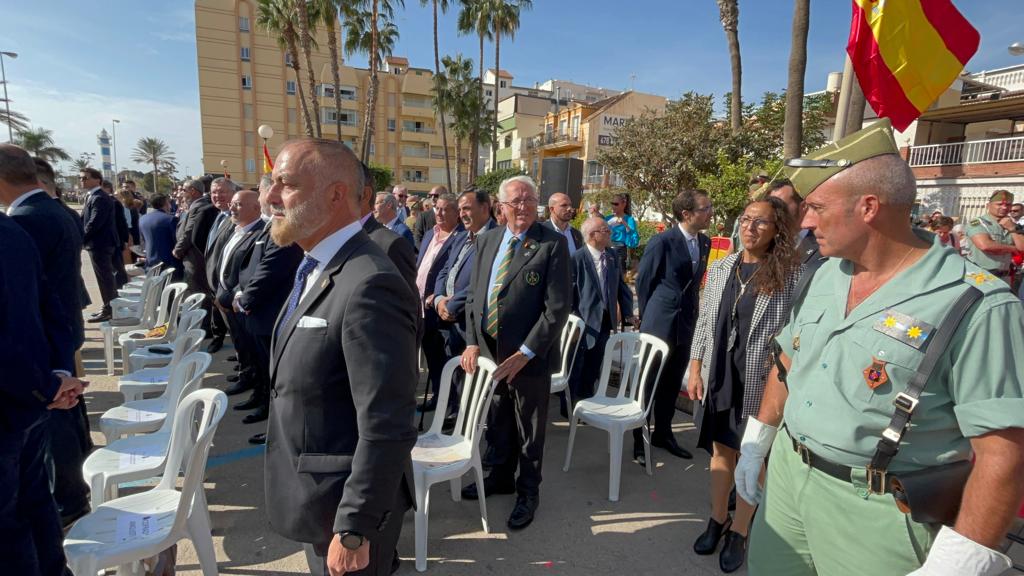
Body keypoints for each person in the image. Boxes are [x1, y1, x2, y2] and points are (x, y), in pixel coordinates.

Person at [736, 119, 1024, 575]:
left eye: (816, 208)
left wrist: (963, 558)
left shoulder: (976, 304)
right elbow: (787, 362)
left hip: (879, 509)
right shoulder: (827, 272)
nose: (806, 222)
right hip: (789, 479)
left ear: (868, 207)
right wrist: (758, 441)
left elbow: (1003, 451)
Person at [264, 139, 417, 576]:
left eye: (285, 184)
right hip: (318, 500)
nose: (272, 197)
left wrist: (354, 526)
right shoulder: (316, 266)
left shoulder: (370, 283)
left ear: (334, 194)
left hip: (343, 509)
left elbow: (388, 422)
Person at [686, 197, 800, 573]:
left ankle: (740, 530)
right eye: (746, 219)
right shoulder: (722, 269)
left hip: (759, 379)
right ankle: (717, 519)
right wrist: (696, 366)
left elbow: (795, 335)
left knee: (753, 456)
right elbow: (704, 322)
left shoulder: (789, 274)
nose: (750, 227)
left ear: (777, 230)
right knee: (721, 452)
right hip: (720, 374)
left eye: (761, 222)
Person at [459, 175, 571, 531]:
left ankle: (528, 492)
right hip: (491, 353)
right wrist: (473, 340)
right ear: (501, 208)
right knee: (498, 419)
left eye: (528, 200)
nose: (522, 207)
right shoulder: (489, 239)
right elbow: (476, 295)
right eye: (515, 202)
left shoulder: (551, 244)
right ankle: (501, 477)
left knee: (530, 429)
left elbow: (557, 309)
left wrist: (525, 353)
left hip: (528, 358)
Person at [1, 145, 92, 526]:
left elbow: (22, 303)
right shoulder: (55, 210)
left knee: (56, 424)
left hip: (41, 347)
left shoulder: (24, 220)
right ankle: (78, 478)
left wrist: (44, 379)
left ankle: (71, 495)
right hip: (60, 332)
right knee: (69, 414)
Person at [1, 209, 88, 575]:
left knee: (10, 527)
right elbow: (51, 308)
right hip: (30, 403)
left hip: (14, 404)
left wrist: (49, 384)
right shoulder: (11, 229)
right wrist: (56, 376)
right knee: (36, 503)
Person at [633, 189, 712, 465]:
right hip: (659, 321)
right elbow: (645, 282)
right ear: (686, 213)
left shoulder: (705, 243)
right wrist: (647, 314)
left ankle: (663, 433)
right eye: (705, 208)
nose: (710, 212)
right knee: (648, 380)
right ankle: (637, 439)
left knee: (670, 381)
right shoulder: (662, 241)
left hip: (685, 322)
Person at [232, 176, 302, 446]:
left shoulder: (286, 229)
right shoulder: (269, 225)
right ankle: (273, 424)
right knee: (267, 375)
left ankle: (278, 432)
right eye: (268, 189)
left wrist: (246, 299)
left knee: (278, 381)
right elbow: (251, 266)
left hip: (270, 316)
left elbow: (271, 269)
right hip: (257, 313)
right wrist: (240, 294)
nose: (271, 196)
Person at [566, 216, 634, 417]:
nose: (610, 233)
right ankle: (570, 408)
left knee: (594, 365)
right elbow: (569, 293)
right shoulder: (577, 259)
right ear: (592, 235)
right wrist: (573, 322)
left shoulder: (612, 256)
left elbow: (621, 288)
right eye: (605, 230)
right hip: (583, 321)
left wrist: (628, 313)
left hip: (605, 319)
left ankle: (587, 404)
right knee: (576, 365)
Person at [212, 189, 266, 421]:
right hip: (228, 301)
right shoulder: (236, 230)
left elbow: (252, 274)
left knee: (257, 354)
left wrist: (232, 296)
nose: (232, 208)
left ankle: (259, 391)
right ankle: (250, 382)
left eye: (239, 204)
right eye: (232, 203)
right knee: (243, 347)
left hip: (242, 304)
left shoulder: (260, 234)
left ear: (257, 208)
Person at [434, 189, 497, 362]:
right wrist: (439, 299)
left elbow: (485, 282)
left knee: (466, 383)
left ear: (484, 208)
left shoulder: (497, 239)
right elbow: (445, 270)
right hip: (446, 319)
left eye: (467, 209)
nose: (462, 214)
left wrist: (451, 305)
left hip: (469, 326)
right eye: (460, 210)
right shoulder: (461, 237)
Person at [417, 193, 464, 412]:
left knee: (447, 359)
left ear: (457, 213)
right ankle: (438, 398)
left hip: (441, 308)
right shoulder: (429, 234)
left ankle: (452, 406)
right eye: (437, 208)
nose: (440, 213)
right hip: (421, 308)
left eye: (446, 209)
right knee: (433, 359)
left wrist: (437, 298)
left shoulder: (461, 238)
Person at [202, 177, 237, 354]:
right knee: (219, 316)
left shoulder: (236, 218)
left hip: (226, 282)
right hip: (213, 279)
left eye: (222, 192)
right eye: (214, 192)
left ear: (233, 193)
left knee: (234, 325)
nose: (217, 196)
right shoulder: (218, 216)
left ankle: (244, 363)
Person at [80, 167, 120, 322]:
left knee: (105, 278)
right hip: (97, 244)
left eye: (85, 178)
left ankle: (110, 308)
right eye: (81, 178)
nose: (82, 181)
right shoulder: (92, 196)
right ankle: (108, 306)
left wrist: (81, 237)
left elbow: (94, 222)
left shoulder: (100, 197)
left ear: (97, 180)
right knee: (103, 278)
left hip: (101, 244)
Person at [964, 190, 1024, 284]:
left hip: (1005, 277)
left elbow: (1022, 248)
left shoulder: (1013, 225)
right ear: (988, 205)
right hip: (981, 276)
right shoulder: (977, 223)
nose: (1004, 207)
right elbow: (985, 245)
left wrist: (1012, 228)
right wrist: (1012, 248)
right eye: (999, 204)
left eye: (1008, 205)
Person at [173, 179, 219, 299]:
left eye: (184, 190)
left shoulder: (199, 207)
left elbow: (189, 231)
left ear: (192, 191)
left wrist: (178, 249)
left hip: (195, 258)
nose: (181, 193)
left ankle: (200, 317)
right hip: (191, 257)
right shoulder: (196, 206)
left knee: (197, 295)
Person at [766, 179, 820, 265]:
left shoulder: (821, 243)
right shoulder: (768, 243)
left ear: (803, 206)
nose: (775, 211)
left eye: (780, 205)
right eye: (772, 206)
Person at [591, 193, 639, 273]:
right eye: (612, 203)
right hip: (605, 249)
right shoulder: (608, 218)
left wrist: (625, 224)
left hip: (619, 251)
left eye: (616, 204)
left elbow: (634, 240)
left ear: (624, 205)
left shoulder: (629, 219)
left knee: (618, 277)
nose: (613, 206)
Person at [138, 194, 182, 274]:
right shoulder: (171, 219)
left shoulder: (142, 219)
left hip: (150, 263)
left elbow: (143, 241)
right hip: (170, 264)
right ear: (165, 204)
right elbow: (177, 240)